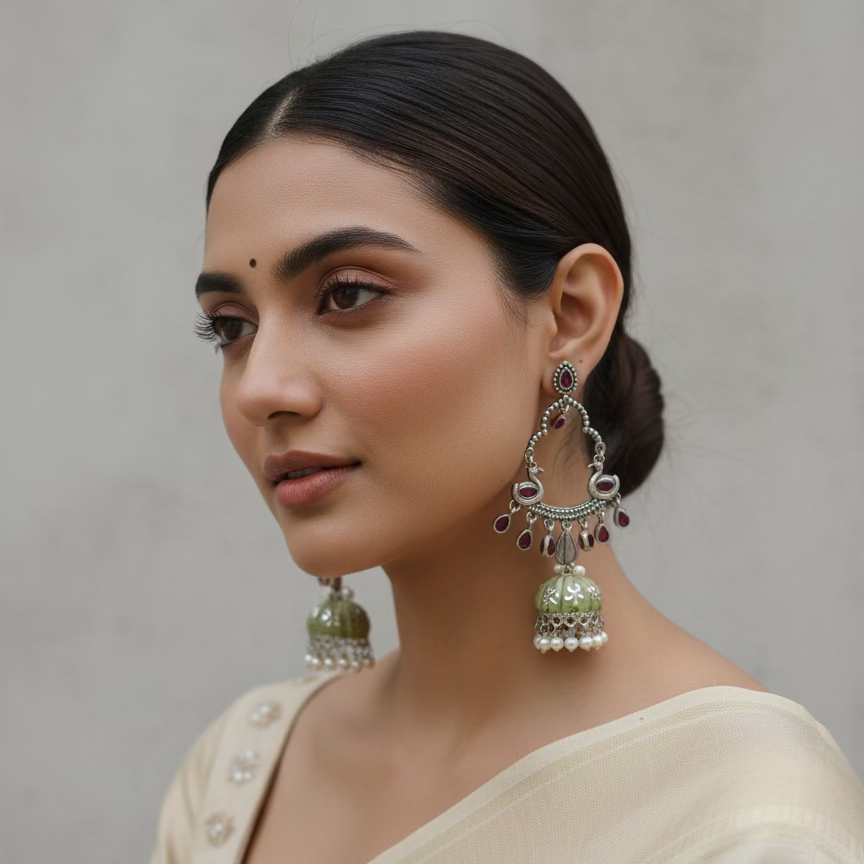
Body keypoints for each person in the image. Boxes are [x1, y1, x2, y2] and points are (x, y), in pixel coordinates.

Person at [149, 29, 864, 864]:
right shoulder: (241, 771)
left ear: (570, 316)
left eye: (347, 294)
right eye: (231, 327)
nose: (260, 387)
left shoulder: (744, 818)